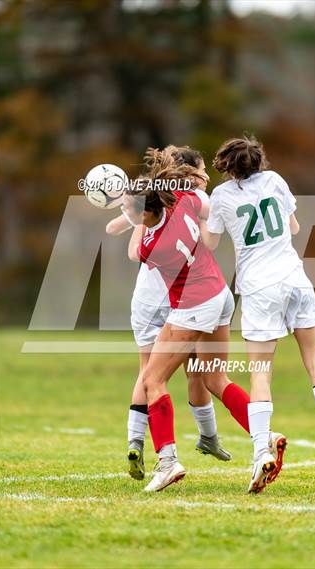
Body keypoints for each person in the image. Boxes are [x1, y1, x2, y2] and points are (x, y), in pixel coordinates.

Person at [123, 157, 286, 493]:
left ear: (144, 213)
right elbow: (202, 205)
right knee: (215, 378)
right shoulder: (186, 200)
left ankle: (167, 462)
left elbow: (137, 245)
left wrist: (134, 212)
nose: (126, 215)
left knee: (153, 378)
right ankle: (266, 438)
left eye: (130, 210)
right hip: (220, 294)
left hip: (194, 305)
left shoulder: (150, 246)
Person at [200, 135, 315, 482]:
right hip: (294, 278)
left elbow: (209, 242)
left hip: (259, 288)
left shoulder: (220, 196)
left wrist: (198, 216)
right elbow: (294, 227)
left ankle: (260, 453)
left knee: (260, 374)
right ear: (257, 161)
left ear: (226, 165)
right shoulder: (274, 180)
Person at [106, 146, 231, 481]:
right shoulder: (189, 198)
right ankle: (209, 437)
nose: (206, 177)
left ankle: (136, 441)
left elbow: (114, 230)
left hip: (152, 299)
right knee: (194, 370)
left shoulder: (158, 202)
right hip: (184, 298)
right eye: (202, 171)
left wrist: (130, 214)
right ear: (190, 176)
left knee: (148, 372)